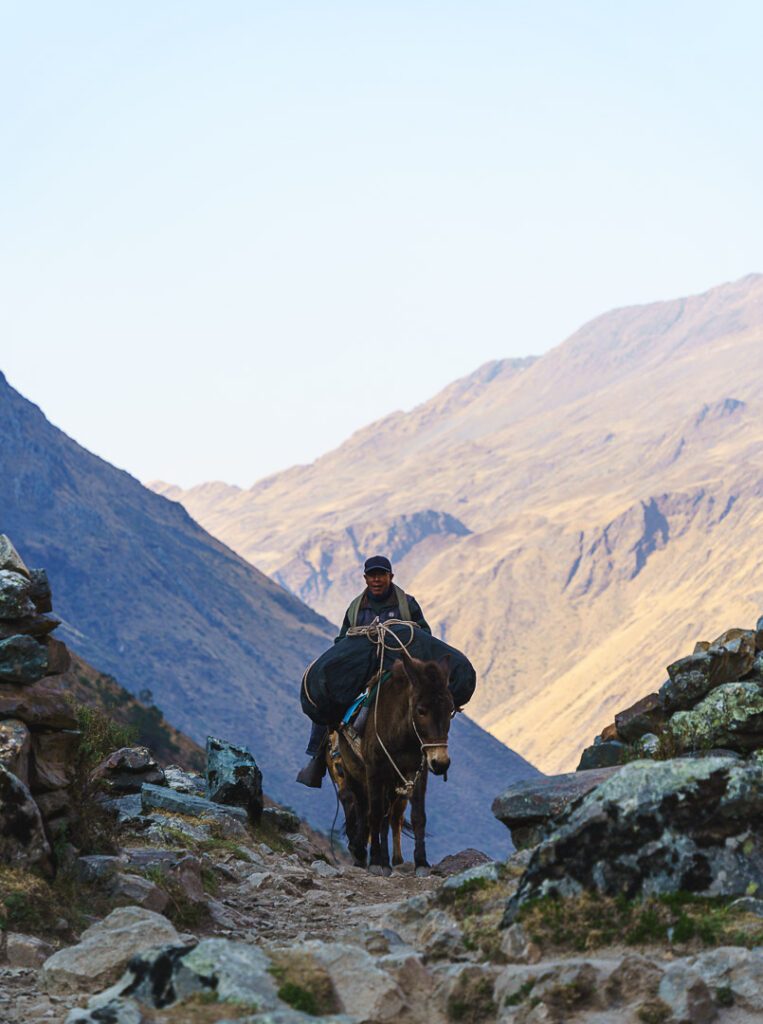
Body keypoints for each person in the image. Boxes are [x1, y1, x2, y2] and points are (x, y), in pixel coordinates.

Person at [296, 555, 431, 788]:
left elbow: (423, 637)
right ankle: (317, 759)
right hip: (361, 674)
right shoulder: (356, 607)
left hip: (397, 675)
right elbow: (342, 640)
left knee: (428, 707)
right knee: (327, 699)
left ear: (391, 576)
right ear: (365, 577)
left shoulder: (407, 605)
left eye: (381, 575)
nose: (376, 579)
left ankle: (430, 752)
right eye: (372, 575)